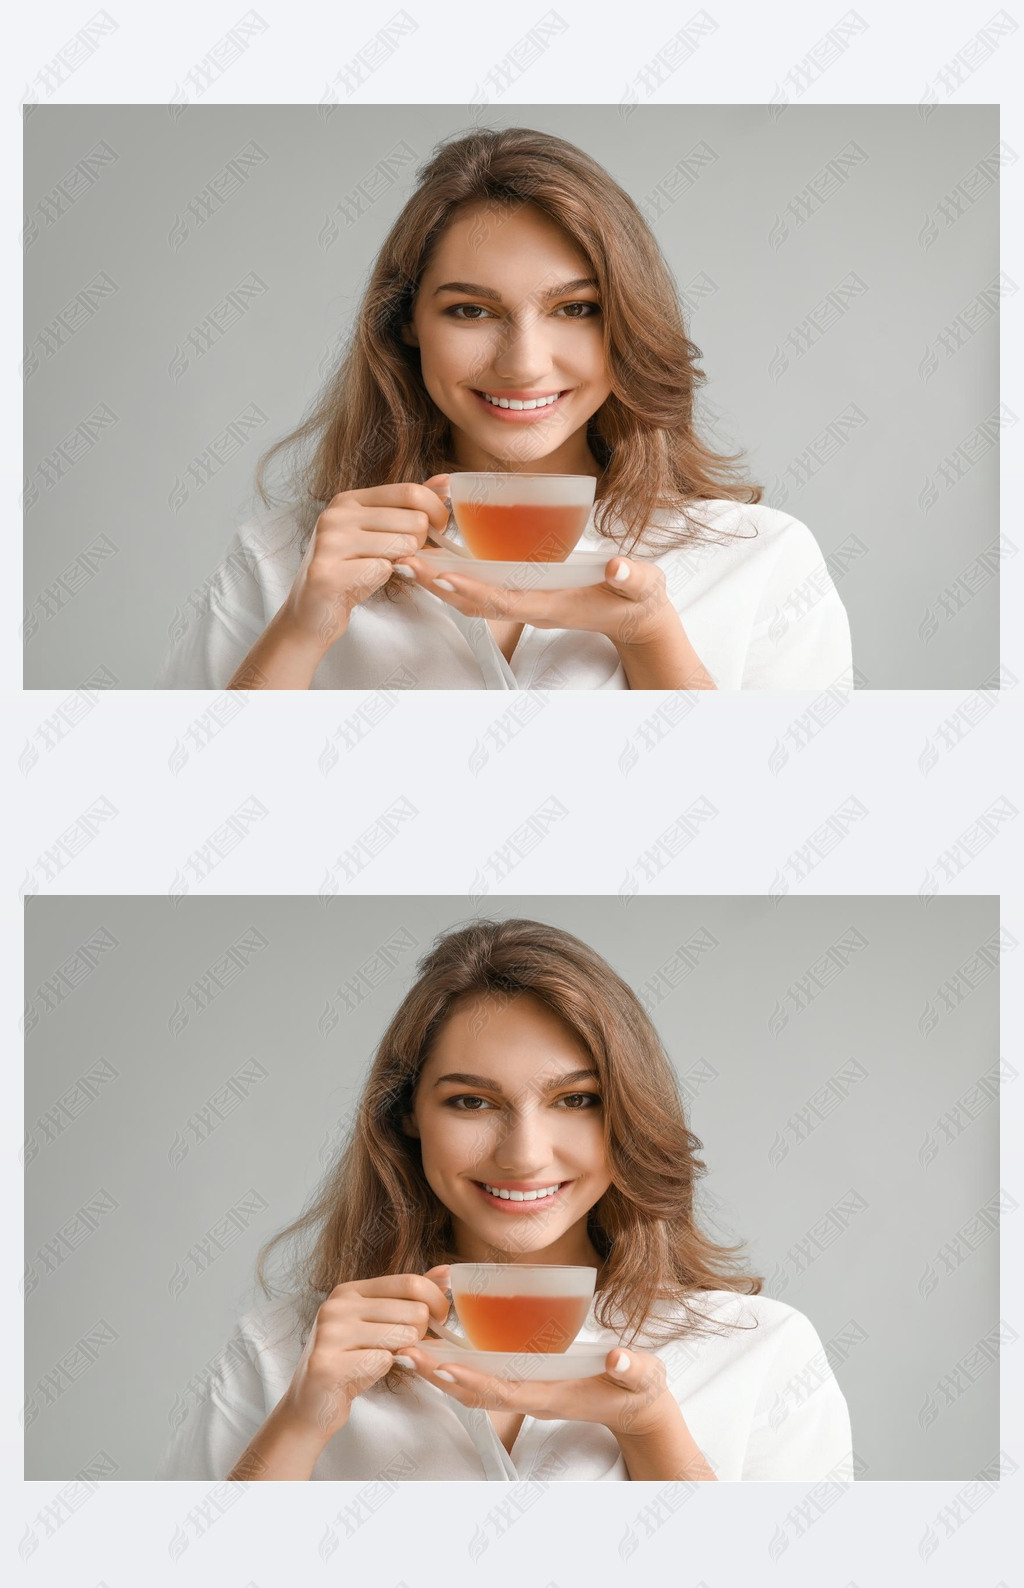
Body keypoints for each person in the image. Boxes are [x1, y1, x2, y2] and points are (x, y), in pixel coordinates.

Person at [156, 127, 852, 691]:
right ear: (406, 324)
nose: (523, 363)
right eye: (470, 310)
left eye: (575, 309)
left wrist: (652, 640)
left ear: (627, 325)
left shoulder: (759, 560)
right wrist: (303, 631)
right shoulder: (282, 562)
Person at [156, 919, 853, 1481]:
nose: (523, 1154)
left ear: (628, 1115)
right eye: (470, 1101)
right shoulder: (282, 1354)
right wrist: (303, 1422)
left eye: (576, 1100)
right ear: (407, 1116)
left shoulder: (760, 1352)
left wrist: (652, 1430)